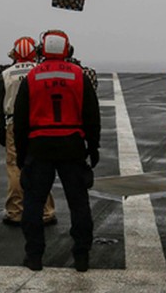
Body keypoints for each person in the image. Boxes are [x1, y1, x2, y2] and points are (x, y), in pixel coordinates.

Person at [13, 29, 101, 272]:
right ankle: (81, 256)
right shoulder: (78, 76)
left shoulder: (31, 77)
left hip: (39, 147)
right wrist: (93, 148)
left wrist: (22, 155)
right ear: (68, 50)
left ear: (42, 50)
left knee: (33, 203)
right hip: (72, 146)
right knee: (79, 204)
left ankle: (34, 257)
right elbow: (92, 115)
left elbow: (20, 121)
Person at [0, 36, 56, 227]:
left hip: (14, 124)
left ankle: (15, 212)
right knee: (42, 167)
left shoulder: (5, 75)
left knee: (14, 167)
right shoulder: (41, 72)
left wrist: (1, 129)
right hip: (39, 124)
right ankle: (46, 212)